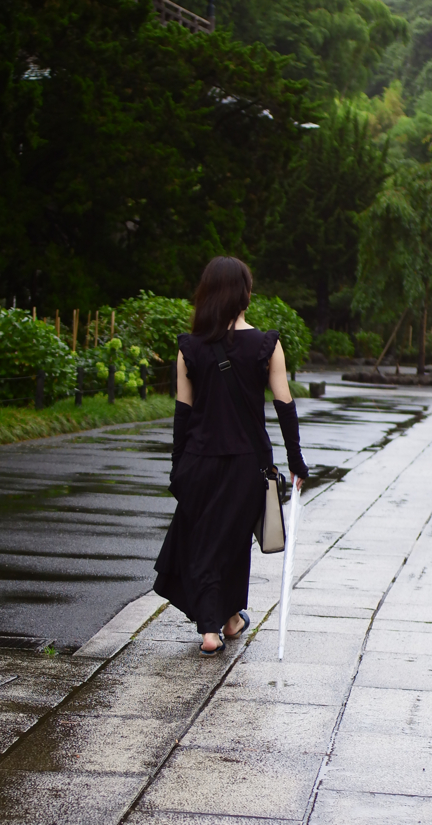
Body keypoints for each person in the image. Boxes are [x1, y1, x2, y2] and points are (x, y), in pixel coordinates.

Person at [154, 256, 309, 656]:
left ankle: (224, 621)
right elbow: (284, 404)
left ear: (207, 294)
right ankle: (215, 626)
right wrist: (296, 460)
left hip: (200, 459)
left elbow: (182, 413)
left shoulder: (189, 348)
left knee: (204, 540)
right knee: (234, 541)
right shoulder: (266, 345)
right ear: (245, 294)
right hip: (248, 462)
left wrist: (177, 467)